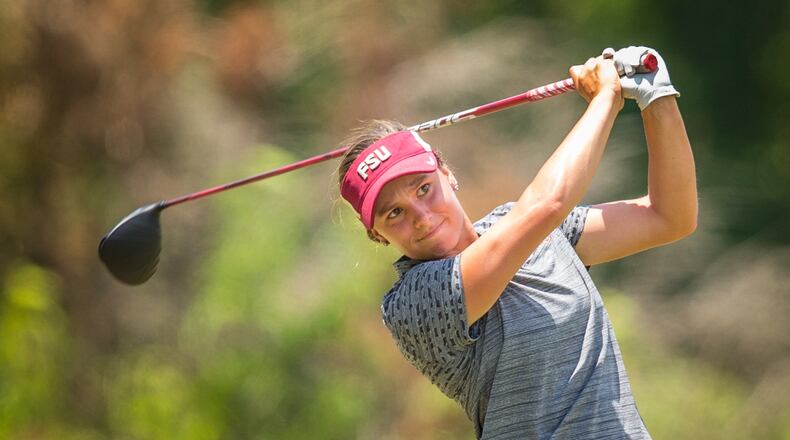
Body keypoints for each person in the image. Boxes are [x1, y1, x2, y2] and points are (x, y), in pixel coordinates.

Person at [337, 46, 697, 439]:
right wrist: (606, 99)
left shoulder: (536, 230)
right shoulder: (414, 304)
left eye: (424, 188)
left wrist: (655, 95)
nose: (421, 216)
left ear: (447, 173)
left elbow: (669, 217)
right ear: (376, 234)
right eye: (394, 213)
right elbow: (547, 204)